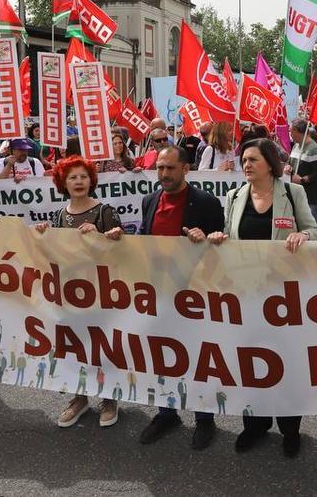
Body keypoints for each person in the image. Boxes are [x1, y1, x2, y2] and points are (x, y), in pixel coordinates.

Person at [207, 138, 317, 457]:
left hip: (283, 297)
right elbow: (228, 236)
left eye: (252, 159)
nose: (245, 164)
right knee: (251, 363)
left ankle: (290, 429)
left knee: (285, 362)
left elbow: (315, 231)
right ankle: (255, 425)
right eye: (244, 159)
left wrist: (303, 235)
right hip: (246, 296)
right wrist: (219, 237)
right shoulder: (233, 196)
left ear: (270, 164)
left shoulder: (292, 193)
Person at [137, 145, 225, 450]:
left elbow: (222, 248)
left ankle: (204, 419)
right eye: (160, 168)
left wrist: (206, 240)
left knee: (199, 359)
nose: (163, 174)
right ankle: (166, 412)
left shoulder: (205, 202)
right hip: (159, 294)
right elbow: (143, 242)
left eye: (170, 168)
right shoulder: (149, 200)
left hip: (194, 296)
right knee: (162, 357)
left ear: (185, 168)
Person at [33, 156, 124, 427]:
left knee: (103, 344)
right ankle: (80, 397)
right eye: (72, 177)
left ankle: (109, 398)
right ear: (63, 182)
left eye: (83, 176)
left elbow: (122, 251)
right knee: (74, 346)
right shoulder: (60, 216)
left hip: (101, 292)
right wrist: (43, 235)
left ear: (91, 180)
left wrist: (103, 235)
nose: (79, 181)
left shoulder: (105, 211)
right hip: (70, 293)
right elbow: (55, 254)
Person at [287, 120, 317, 221]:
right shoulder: (296, 146)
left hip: (311, 199)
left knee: (314, 228)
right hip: (297, 196)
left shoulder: (314, 150)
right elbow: (290, 161)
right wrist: (288, 167)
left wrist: (302, 180)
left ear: (297, 131)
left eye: (291, 131)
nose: (290, 134)